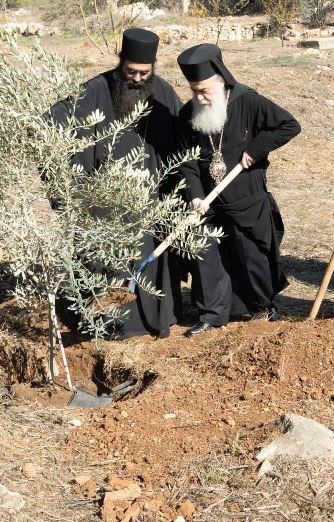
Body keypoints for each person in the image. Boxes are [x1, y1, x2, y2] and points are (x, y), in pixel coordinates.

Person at [51, 28, 184, 339]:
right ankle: (99, 320)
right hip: (104, 201)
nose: (137, 78)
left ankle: (146, 320)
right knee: (102, 257)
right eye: (131, 71)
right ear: (120, 62)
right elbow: (55, 120)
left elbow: (183, 137)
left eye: (144, 73)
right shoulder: (96, 90)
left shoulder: (163, 94)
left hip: (148, 196)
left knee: (146, 254)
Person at [175, 43, 301, 337]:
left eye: (204, 89)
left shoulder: (247, 101)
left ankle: (262, 308)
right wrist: (194, 195)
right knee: (207, 259)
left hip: (245, 199)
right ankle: (211, 314)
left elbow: (289, 125)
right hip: (208, 203)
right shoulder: (188, 115)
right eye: (194, 90)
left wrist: (255, 150)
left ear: (220, 79)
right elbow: (187, 162)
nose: (200, 96)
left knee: (252, 257)